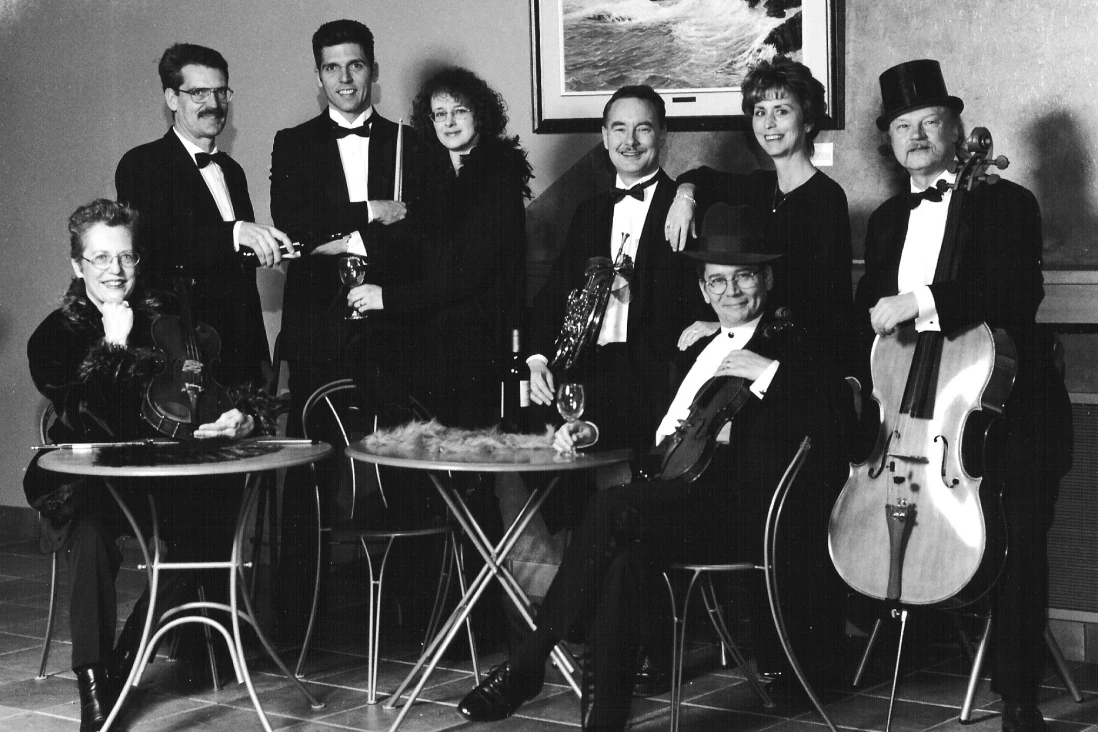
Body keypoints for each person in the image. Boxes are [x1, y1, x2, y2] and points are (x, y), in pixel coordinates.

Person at [456, 204, 853, 731]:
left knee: (612, 507)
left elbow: (844, 426)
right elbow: (650, 417)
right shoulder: (699, 344)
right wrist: (591, 429)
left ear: (768, 278)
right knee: (622, 549)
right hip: (671, 503)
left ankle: (528, 663)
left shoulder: (795, 342)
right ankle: (602, 722)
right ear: (704, 289)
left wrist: (769, 373)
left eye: (744, 278)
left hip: (739, 515)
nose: (731, 291)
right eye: (719, 281)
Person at [854, 59, 1072, 732]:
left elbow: (1016, 296)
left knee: (1017, 530)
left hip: (1009, 409)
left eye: (929, 123)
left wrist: (920, 299)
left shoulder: (1007, 203)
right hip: (922, 415)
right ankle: (907, 640)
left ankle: (1017, 695)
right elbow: (870, 308)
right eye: (902, 127)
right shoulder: (889, 219)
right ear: (890, 142)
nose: (916, 136)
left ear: (957, 130)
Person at [23, 200, 272, 732]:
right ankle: (95, 690)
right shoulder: (54, 336)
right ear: (77, 266)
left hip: (158, 479)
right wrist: (112, 344)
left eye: (126, 257)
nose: (115, 270)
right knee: (89, 533)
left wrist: (238, 416)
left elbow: (211, 389)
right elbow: (85, 417)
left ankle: (123, 662)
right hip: (90, 483)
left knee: (210, 526)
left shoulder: (161, 320)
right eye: (99, 258)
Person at [269, 18, 419, 638]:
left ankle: (416, 613)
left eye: (356, 65)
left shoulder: (411, 142)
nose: (346, 78)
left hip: (391, 327)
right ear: (319, 75)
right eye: (332, 67)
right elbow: (292, 224)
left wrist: (342, 238)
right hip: (314, 332)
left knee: (407, 460)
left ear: (374, 71)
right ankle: (296, 619)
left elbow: (418, 231)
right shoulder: (292, 142)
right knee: (308, 473)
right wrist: (368, 215)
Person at [349, 66, 531, 428]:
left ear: (479, 113)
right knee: (365, 350)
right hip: (441, 331)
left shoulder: (497, 177)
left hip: (480, 339)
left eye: (460, 111)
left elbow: (466, 275)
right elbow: (417, 246)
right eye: (440, 113)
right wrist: (351, 243)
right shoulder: (436, 174)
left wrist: (387, 298)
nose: (449, 122)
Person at [526, 84, 697, 454]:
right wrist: (537, 359)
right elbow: (554, 292)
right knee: (520, 431)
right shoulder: (589, 211)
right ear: (604, 137)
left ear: (663, 135)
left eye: (644, 128)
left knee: (579, 449)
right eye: (619, 128)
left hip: (649, 377)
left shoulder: (684, 206)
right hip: (583, 369)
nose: (630, 141)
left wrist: (688, 194)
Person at [664, 56, 854, 375]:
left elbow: (824, 306)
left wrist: (723, 320)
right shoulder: (759, 185)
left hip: (799, 355)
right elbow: (702, 176)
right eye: (760, 112)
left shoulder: (827, 198)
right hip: (754, 337)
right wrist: (685, 195)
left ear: (807, 121)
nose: (768, 124)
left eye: (781, 111)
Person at [115, 43, 290, 388]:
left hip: (241, 360)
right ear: (171, 98)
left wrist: (260, 357)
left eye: (220, 91)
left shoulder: (232, 171)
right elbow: (156, 246)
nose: (213, 104)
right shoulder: (141, 164)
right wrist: (235, 232)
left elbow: (236, 272)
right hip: (183, 358)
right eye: (198, 93)